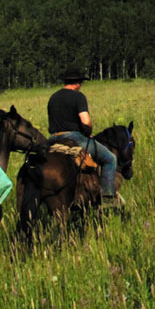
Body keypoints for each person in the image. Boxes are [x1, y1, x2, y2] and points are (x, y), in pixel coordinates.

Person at [47, 68, 122, 209]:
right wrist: (88, 132)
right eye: (81, 82)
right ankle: (108, 199)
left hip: (53, 139)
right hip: (74, 137)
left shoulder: (53, 97)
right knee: (110, 159)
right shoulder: (78, 97)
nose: (81, 85)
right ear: (77, 83)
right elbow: (85, 120)